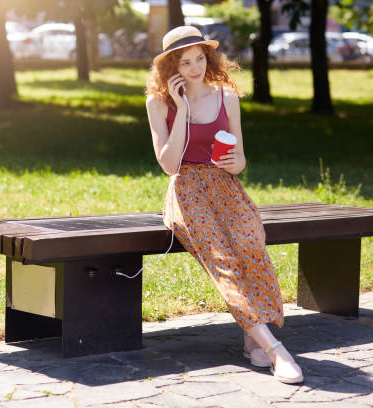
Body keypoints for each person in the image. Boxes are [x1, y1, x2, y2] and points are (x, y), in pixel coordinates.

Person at [145, 26, 303, 384]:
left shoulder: (227, 95)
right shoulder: (159, 103)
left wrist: (236, 163)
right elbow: (169, 165)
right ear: (171, 67)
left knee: (251, 244)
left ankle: (253, 337)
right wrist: (182, 108)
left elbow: (241, 158)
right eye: (185, 62)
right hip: (186, 191)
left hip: (225, 186)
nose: (196, 67)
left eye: (200, 58)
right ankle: (275, 349)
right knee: (223, 261)